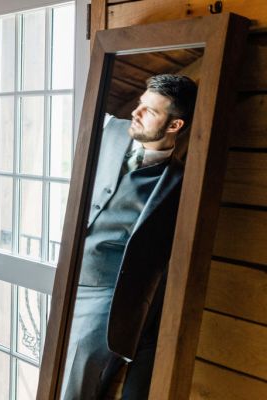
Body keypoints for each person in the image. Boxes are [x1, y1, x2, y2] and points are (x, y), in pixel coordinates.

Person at [62, 74, 198, 399]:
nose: (137, 112)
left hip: (106, 297)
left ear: (174, 125)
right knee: (50, 367)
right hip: (66, 276)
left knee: (74, 385)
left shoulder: (177, 182)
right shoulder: (108, 131)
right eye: (140, 103)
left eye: (150, 111)